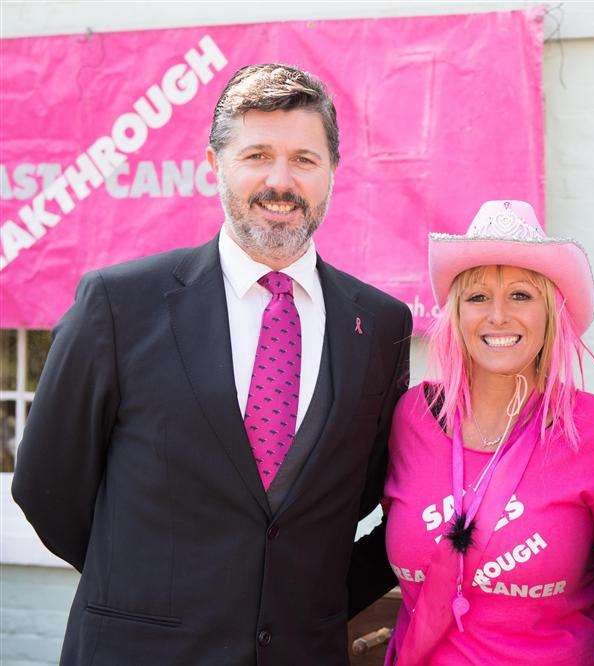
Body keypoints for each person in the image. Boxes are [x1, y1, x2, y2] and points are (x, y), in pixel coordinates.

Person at [12, 63, 411, 665]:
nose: (281, 180)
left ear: (332, 172)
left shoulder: (379, 326)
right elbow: (48, 488)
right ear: (213, 165)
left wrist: (305, 602)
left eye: (304, 159)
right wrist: (147, 592)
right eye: (256, 155)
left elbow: (364, 496)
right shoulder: (119, 306)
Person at [382, 199, 594, 665]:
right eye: (477, 297)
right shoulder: (410, 416)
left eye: (520, 295)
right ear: (456, 314)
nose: (497, 316)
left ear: (550, 311)